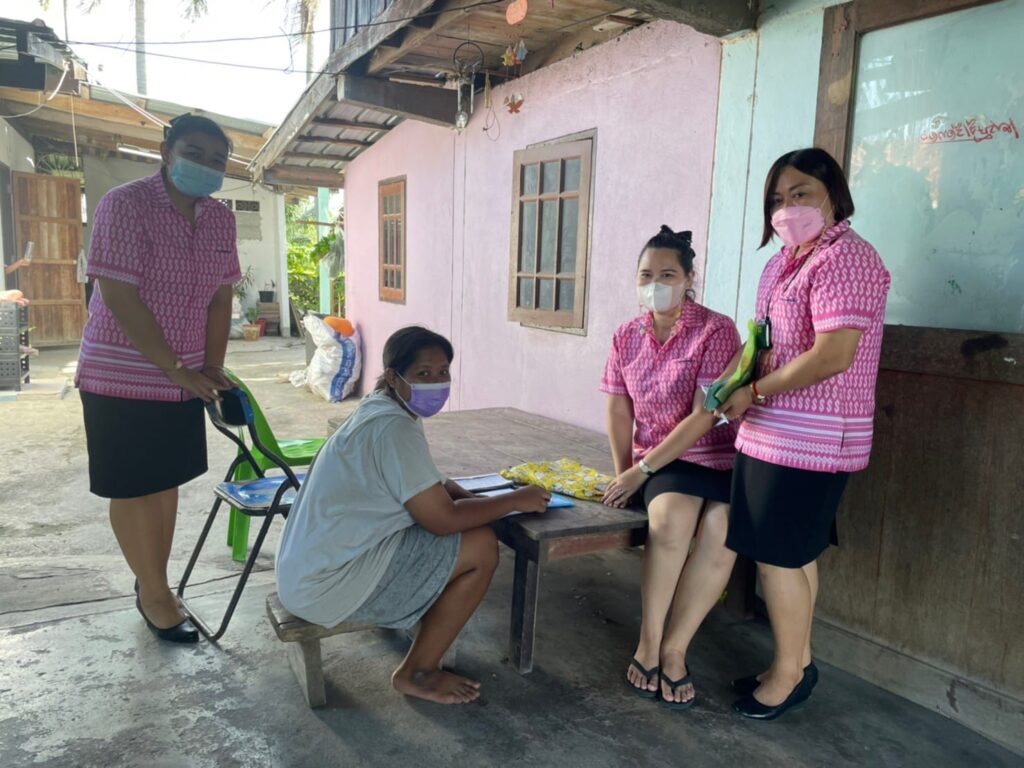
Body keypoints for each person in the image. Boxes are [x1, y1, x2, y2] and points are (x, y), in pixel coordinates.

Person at [275, 326, 550, 705]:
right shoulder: (393, 427)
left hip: (305, 571)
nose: (436, 382)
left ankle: (419, 635)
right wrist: (514, 500)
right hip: (325, 586)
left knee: (468, 528)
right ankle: (417, 671)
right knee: (481, 546)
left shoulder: (382, 407)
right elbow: (441, 520)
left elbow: (433, 481)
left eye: (443, 372)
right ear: (394, 376)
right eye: (423, 373)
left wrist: (474, 499)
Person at [714, 148, 890, 719]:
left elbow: (833, 355)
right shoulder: (783, 263)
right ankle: (797, 662)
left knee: (779, 560)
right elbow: (763, 340)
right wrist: (732, 383)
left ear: (833, 195)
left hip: (814, 439)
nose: (786, 208)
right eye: (777, 199)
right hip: (769, 433)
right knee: (791, 555)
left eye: (800, 194)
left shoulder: (848, 258)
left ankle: (788, 676)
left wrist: (755, 392)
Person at [77, 113, 239, 644]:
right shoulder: (125, 205)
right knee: (133, 487)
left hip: (185, 376)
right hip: (121, 375)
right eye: (195, 153)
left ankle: (155, 583)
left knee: (164, 484)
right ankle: (153, 593)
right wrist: (176, 368)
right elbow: (119, 295)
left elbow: (220, 297)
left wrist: (211, 367)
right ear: (166, 151)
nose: (206, 166)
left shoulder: (220, 219)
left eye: (217, 160)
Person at [600, 226, 741, 709]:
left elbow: (707, 414)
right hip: (664, 462)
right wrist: (625, 473)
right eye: (646, 275)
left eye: (667, 275)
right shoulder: (626, 336)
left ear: (689, 279)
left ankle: (675, 649)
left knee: (723, 529)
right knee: (670, 522)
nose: (655, 284)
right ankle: (649, 642)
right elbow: (618, 408)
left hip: (715, 454)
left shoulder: (716, 330)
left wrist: (641, 471)